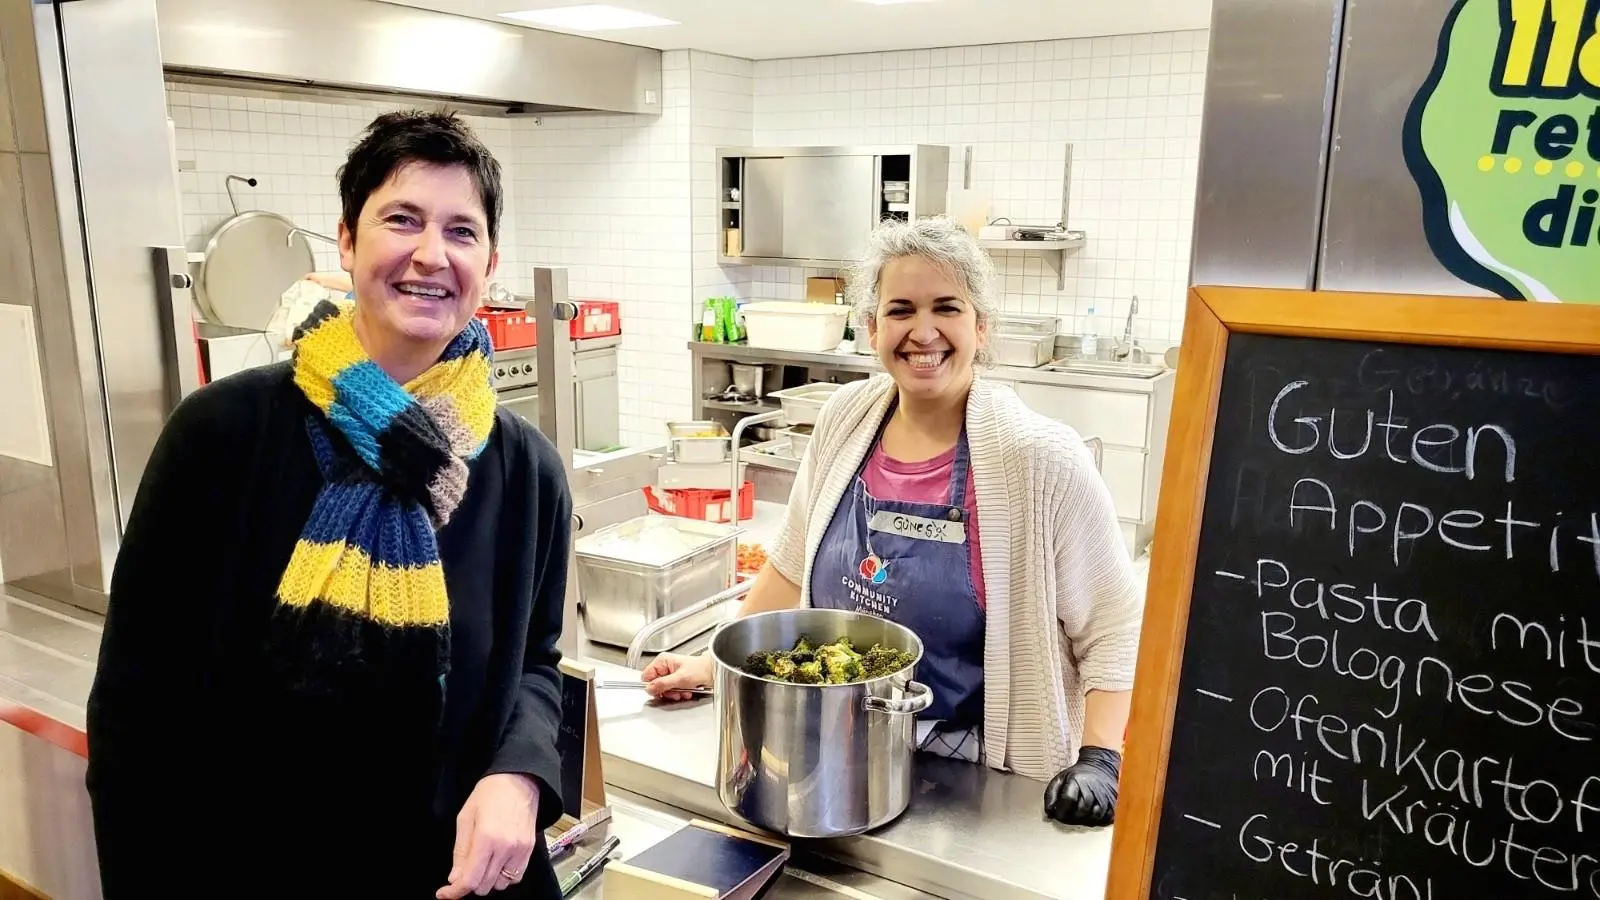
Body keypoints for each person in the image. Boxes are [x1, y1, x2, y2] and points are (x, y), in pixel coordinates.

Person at [85, 110, 572, 899]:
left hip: (458, 881)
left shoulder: (526, 470)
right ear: (346, 242)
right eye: (402, 219)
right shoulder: (223, 437)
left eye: (461, 230)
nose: (430, 254)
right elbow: (137, 716)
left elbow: (535, 668)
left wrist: (518, 777)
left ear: (489, 260)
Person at [644, 216, 1144, 827]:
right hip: (831, 755)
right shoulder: (844, 420)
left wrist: (1101, 758)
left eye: (947, 308)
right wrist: (716, 666)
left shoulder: (1040, 460)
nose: (923, 331)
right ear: (873, 326)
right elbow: (791, 562)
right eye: (901, 310)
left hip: (981, 771)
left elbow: (1113, 627)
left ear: (980, 327)